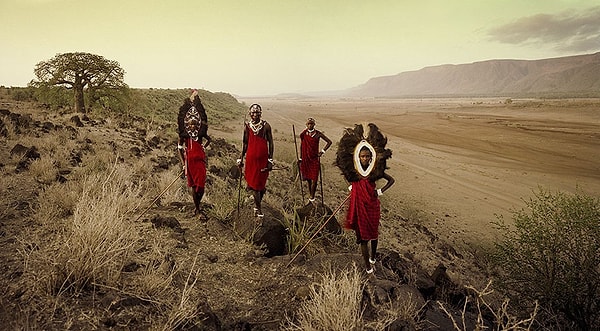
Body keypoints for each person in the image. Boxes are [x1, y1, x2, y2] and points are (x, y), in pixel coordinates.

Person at [335, 123, 394, 275]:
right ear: (358, 157)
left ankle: (373, 258)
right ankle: (368, 267)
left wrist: (379, 191)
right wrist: (351, 187)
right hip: (358, 205)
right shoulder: (354, 171)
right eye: (362, 156)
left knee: (374, 234)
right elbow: (346, 176)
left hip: (372, 205)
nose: (365, 159)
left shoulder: (375, 171)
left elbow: (391, 180)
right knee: (362, 238)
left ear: (371, 157)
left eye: (367, 156)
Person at [178, 90, 211, 217]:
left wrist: (203, 147)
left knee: (200, 187)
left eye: (194, 124)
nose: (192, 126)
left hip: (200, 162)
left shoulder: (201, 134)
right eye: (190, 124)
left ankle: (198, 206)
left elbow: (209, 139)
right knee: (193, 186)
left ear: (197, 124)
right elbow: (179, 148)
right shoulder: (184, 136)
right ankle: (197, 208)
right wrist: (183, 163)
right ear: (187, 125)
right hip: (189, 163)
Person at [237, 104, 274, 218]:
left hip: (263, 159)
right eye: (253, 113)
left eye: (257, 113)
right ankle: (259, 210)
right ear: (250, 114)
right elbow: (245, 143)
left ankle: (256, 206)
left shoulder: (266, 126)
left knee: (261, 187)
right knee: (254, 186)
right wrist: (240, 157)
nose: (255, 115)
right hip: (251, 160)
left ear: (260, 113)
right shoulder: (247, 127)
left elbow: (271, 143)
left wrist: (270, 159)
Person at [298, 117, 332, 204]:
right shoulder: (304, 134)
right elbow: (302, 146)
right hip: (306, 159)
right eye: (308, 124)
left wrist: (322, 151)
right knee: (308, 178)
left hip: (314, 159)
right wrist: (301, 157)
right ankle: (310, 196)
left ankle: (312, 197)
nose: (310, 125)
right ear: (306, 125)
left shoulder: (318, 134)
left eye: (311, 124)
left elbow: (329, 142)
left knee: (314, 179)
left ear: (314, 124)